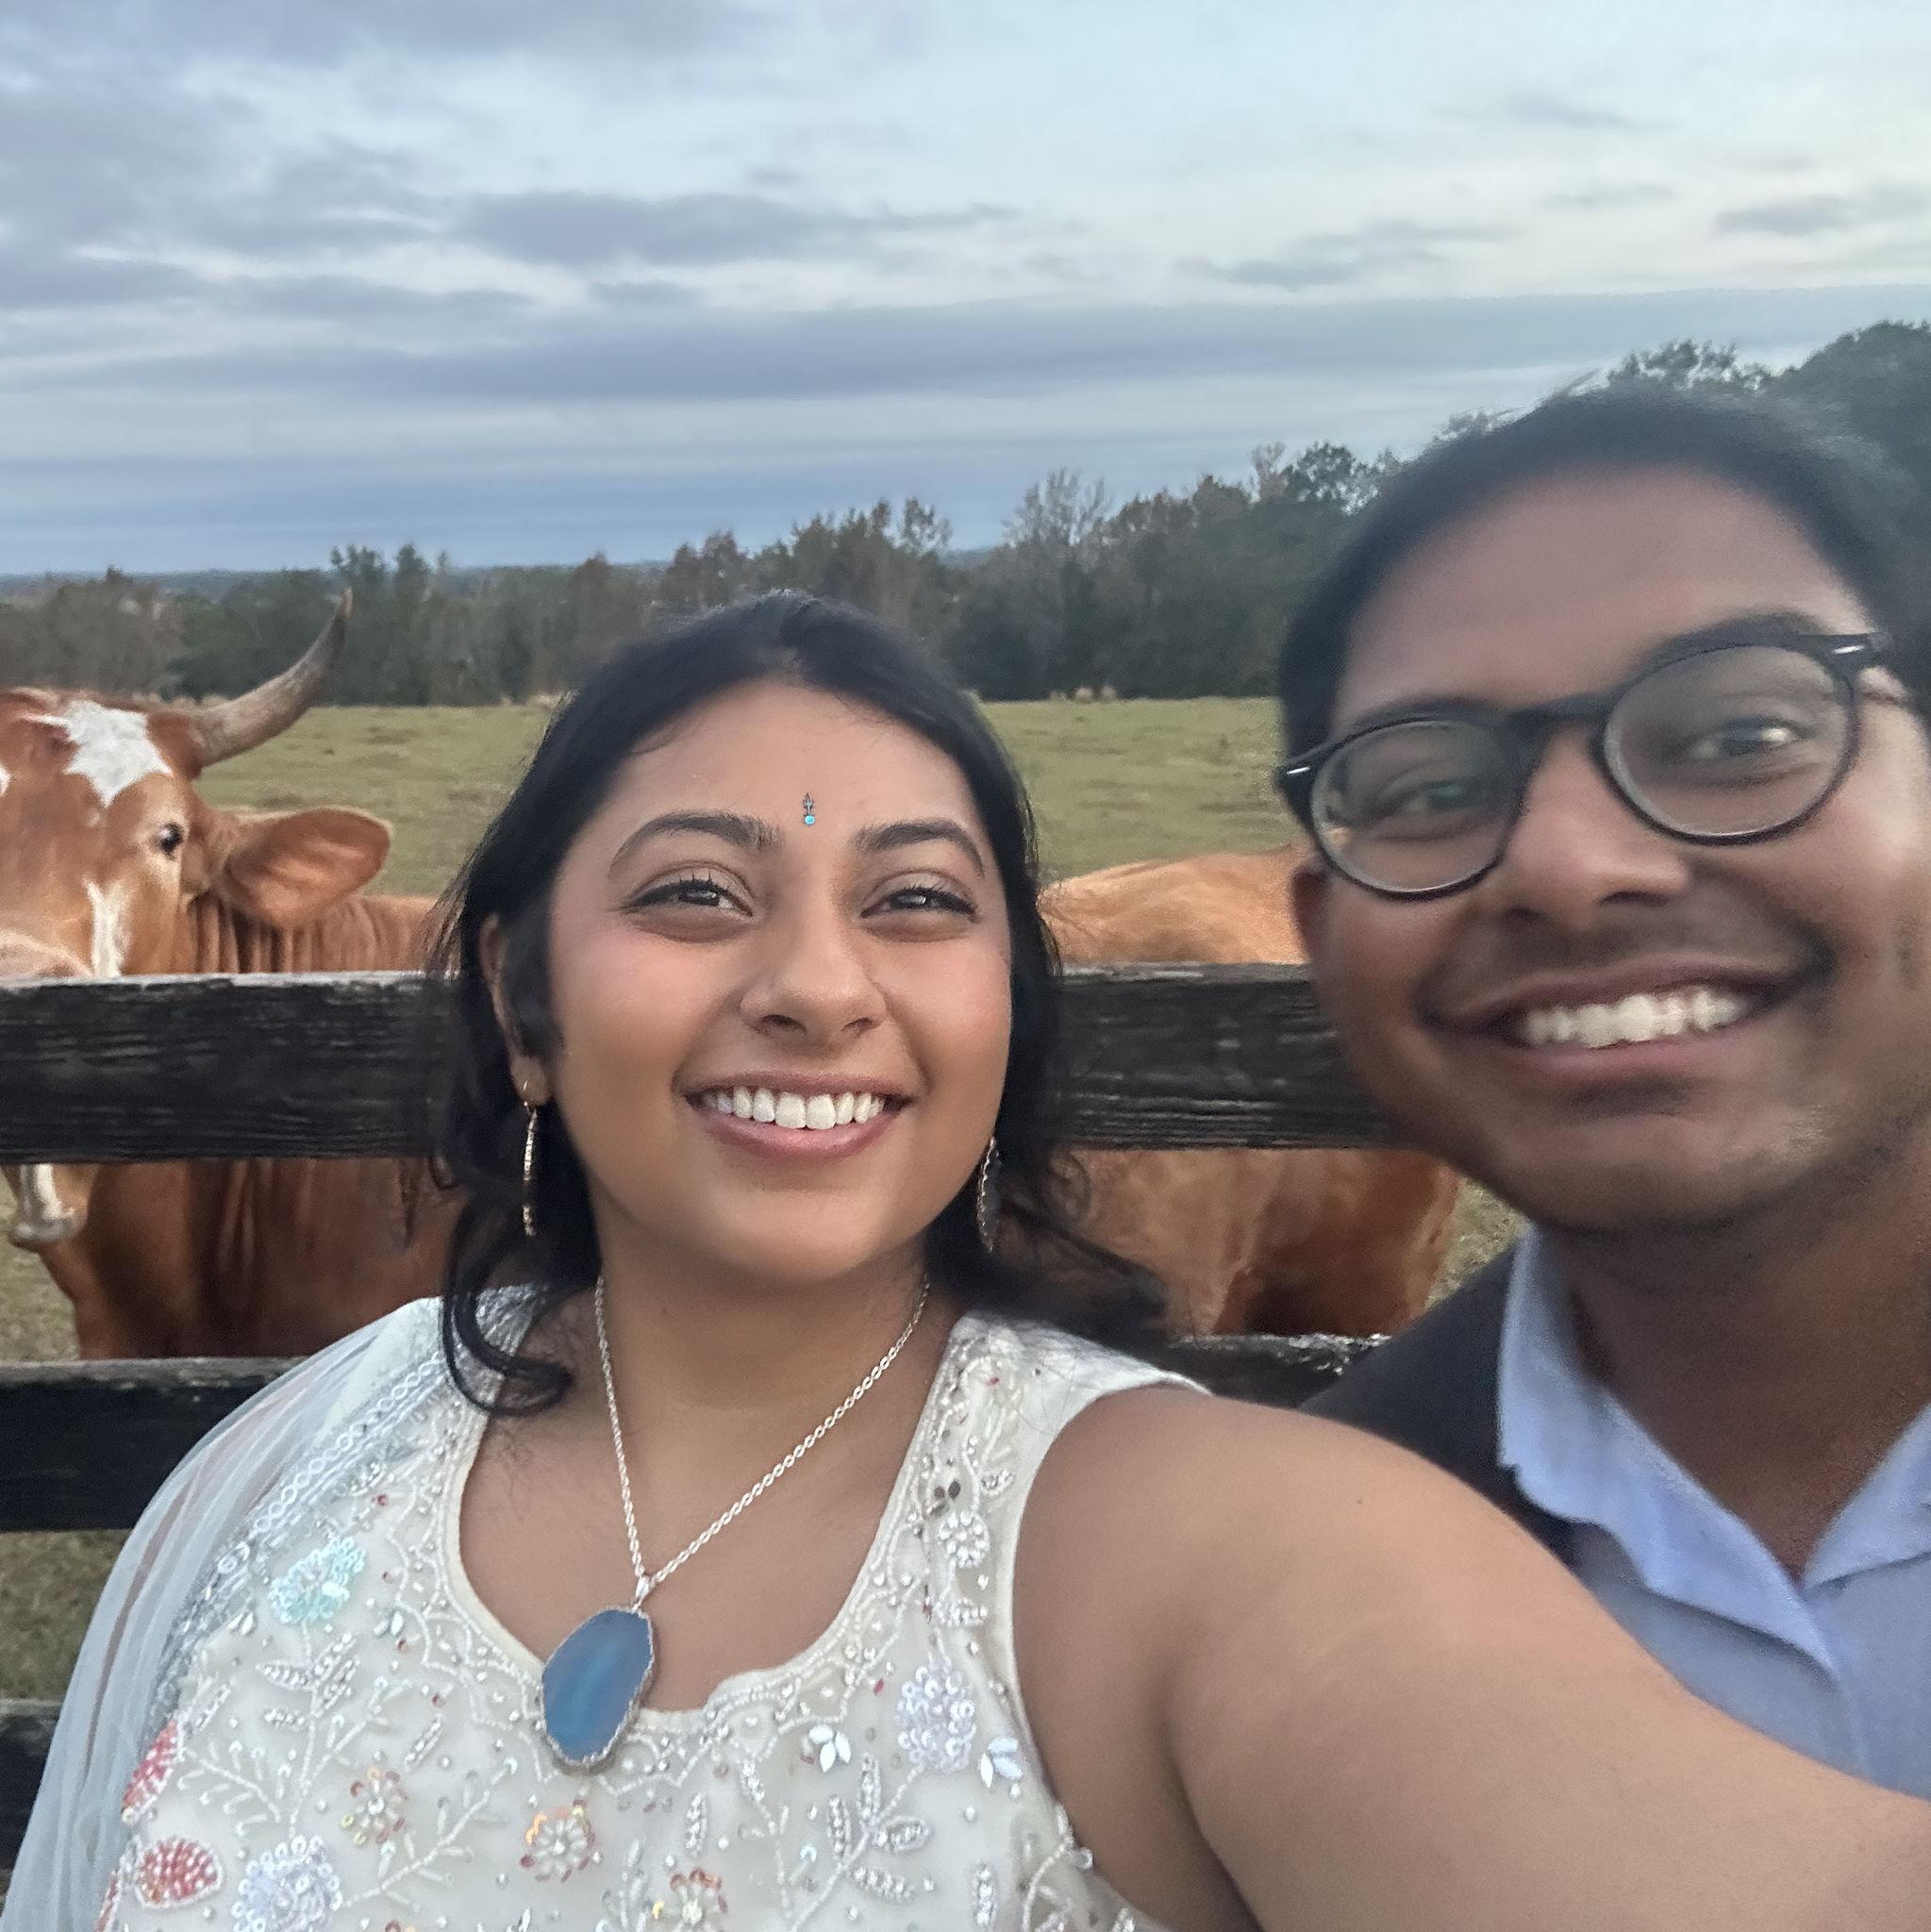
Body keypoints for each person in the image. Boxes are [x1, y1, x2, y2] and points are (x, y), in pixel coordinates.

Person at [14, 592, 1931, 1932]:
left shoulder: (1203, 1540)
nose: (815, 983)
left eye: (918, 899)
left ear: (1010, 996)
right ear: (522, 997)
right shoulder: (275, 1469)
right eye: (695, 890)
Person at [1285, 387, 1931, 1800]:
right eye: (1427, 789)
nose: (1573, 867)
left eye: (1741, 735)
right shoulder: (1298, 1584)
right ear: (1325, 941)